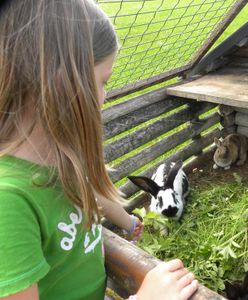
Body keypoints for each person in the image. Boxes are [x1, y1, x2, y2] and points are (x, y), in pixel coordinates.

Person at [0, 1, 198, 299]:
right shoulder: (9, 201)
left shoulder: (60, 154)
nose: (104, 96)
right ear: (61, 83)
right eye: (102, 82)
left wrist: (131, 224)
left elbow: (89, 198)